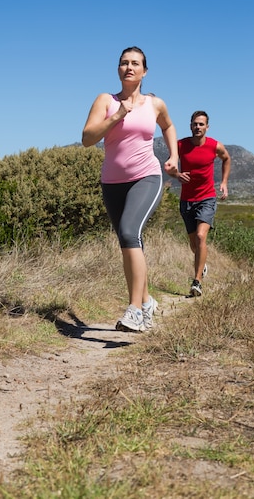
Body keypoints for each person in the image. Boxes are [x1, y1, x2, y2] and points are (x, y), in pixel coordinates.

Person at [82, 46, 178, 332]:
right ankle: (147, 301)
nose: (129, 67)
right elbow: (87, 138)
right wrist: (117, 116)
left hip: (146, 176)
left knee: (128, 233)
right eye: (124, 63)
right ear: (118, 69)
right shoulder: (106, 100)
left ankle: (135, 309)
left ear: (144, 71)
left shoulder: (155, 104)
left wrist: (173, 155)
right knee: (128, 243)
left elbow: (169, 126)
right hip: (112, 182)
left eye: (135, 63)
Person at [176, 110, 231, 297]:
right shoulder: (181, 145)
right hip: (186, 200)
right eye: (195, 124)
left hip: (207, 197)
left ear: (207, 127)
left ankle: (197, 281)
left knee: (201, 237)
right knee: (194, 244)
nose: (197, 127)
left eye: (201, 124)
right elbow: (169, 164)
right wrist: (176, 174)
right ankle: (202, 264)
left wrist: (223, 182)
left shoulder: (214, 146)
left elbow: (227, 159)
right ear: (190, 125)